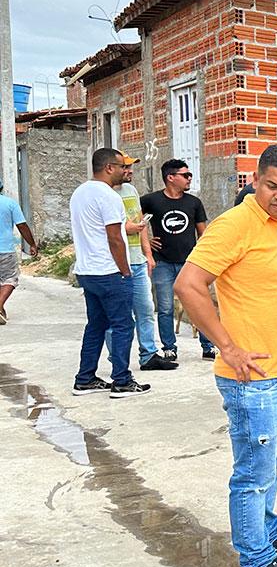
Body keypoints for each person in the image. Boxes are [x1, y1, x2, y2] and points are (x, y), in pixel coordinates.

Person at [175, 144, 277, 567]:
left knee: (271, 468)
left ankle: (266, 544)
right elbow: (188, 285)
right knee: (253, 474)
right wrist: (229, 347)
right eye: (272, 186)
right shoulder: (235, 224)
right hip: (255, 379)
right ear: (255, 180)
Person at [70, 148, 151, 398]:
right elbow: (115, 238)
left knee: (96, 325)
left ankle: (85, 378)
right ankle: (122, 381)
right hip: (109, 271)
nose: (124, 171)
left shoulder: (79, 192)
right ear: (108, 168)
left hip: (87, 271)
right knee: (124, 325)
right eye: (120, 166)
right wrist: (124, 271)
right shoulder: (109, 196)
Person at [106, 156, 176, 372]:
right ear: (111, 169)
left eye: (130, 167)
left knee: (146, 310)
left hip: (137, 261)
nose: (129, 171)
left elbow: (141, 224)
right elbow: (106, 228)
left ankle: (148, 355)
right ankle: (117, 359)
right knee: (117, 315)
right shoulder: (104, 194)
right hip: (115, 264)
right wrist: (126, 228)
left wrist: (148, 254)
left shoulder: (131, 192)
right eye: (125, 167)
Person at [142, 159, 213, 361]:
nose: (190, 178)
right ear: (170, 178)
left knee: (198, 304)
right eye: (185, 175)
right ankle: (169, 348)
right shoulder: (151, 201)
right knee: (165, 308)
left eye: (189, 175)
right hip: (163, 263)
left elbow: (203, 234)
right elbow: (129, 217)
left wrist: (204, 260)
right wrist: (145, 241)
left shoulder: (193, 203)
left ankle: (208, 346)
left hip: (190, 263)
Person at [0, 186, 37, 325]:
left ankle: (1, 309)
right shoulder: (10, 203)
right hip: (5, 250)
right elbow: (22, 225)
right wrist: (31, 244)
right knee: (9, 279)